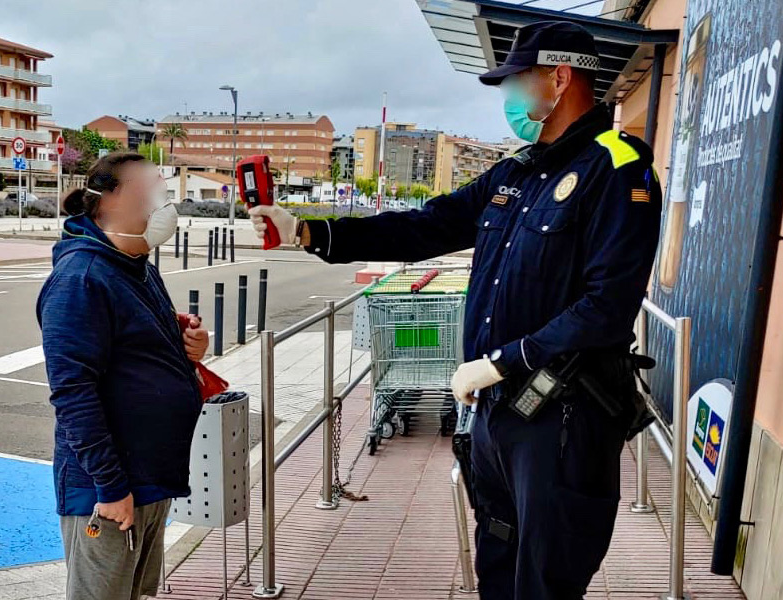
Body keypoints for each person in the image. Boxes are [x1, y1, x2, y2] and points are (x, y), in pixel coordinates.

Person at [250, 20, 663, 599]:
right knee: (496, 562)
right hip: (497, 415)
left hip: (562, 421)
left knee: (546, 581)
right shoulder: (519, 171)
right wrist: (311, 233)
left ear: (560, 77)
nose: (509, 97)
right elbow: (427, 226)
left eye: (517, 82)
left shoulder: (617, 168)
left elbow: (607, 307)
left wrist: (501, 362)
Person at [37, 153, 209, 600]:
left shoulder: (137, 267)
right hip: (109, 492)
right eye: (152, 191)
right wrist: (111, 488)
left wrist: (186, 343)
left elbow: (134, 348)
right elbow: (73, 393)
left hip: (149, 480)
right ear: (110, 198)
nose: (164, 204)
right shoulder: (81, 277)